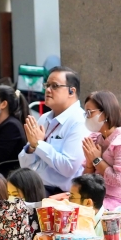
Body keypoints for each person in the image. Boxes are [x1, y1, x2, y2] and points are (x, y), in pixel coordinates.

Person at [18, 66, 89, 195]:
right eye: (47, 85)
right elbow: (23, 162)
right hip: (35, 187)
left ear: (71, 92)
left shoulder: (79, 121)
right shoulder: (45, 118)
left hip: (61, 194)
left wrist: (39, 144)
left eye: (55, 86)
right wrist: (32, 147)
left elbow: (68, 168)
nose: (48, 90)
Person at [81, 90, 121, 209]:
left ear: (106, 113)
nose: (87, 117)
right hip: (94, 196)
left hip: (117, 202)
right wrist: (89, 165)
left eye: (90, 112)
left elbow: (119, 180)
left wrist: (96, 160)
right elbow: (85, 182)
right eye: (85, 113)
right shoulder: (95, 138)